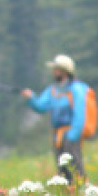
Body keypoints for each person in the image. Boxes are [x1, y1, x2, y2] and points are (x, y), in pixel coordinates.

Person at [22, 54, 88, 182]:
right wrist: (31, 98)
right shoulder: (53, 90)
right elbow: (41, 106)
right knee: (62, 170)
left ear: (64, 71)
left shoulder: (77, 89)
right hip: (57, 136)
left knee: (75, 168)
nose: (53, 72)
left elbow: (79, 114)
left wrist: (72, 136)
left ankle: (80, 192)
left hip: (71, 135)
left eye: (56, 69)